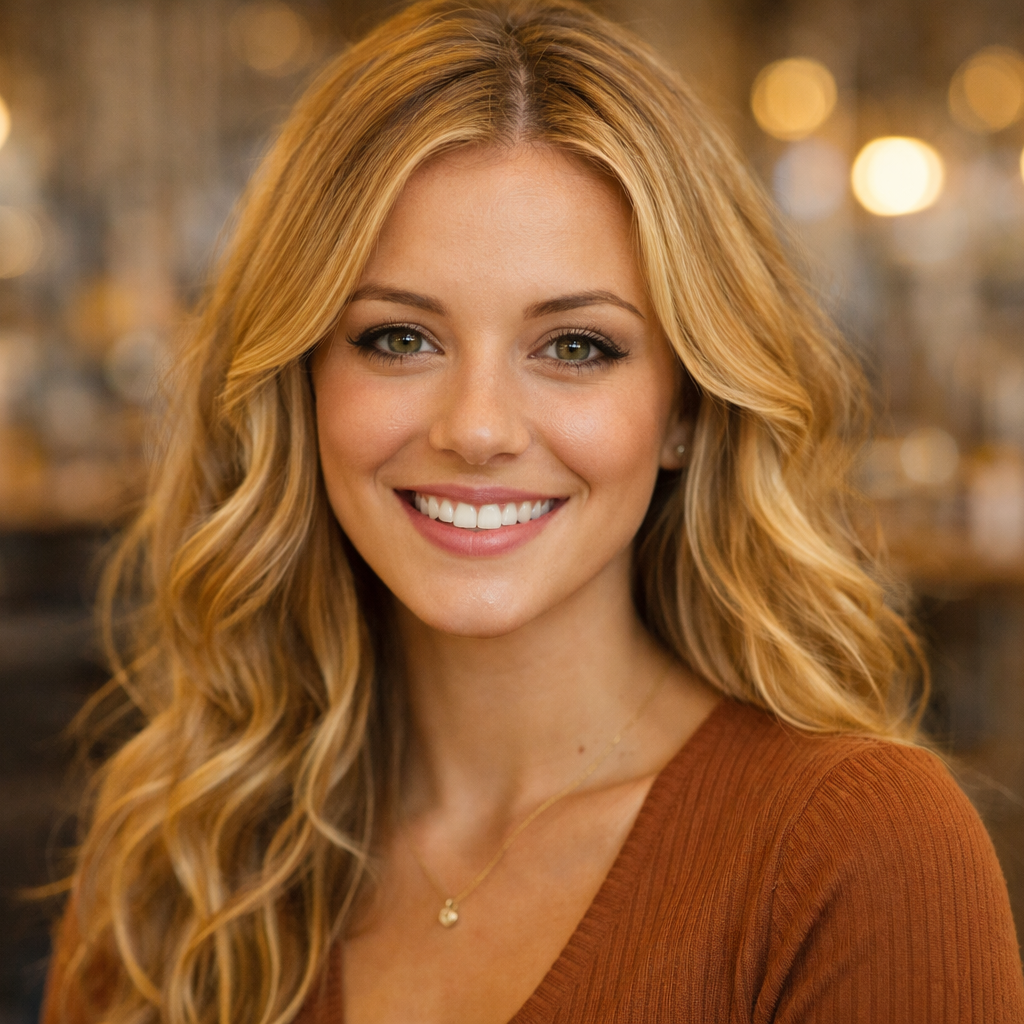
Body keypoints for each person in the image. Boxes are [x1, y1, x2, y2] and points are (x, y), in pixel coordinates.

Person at [42, 1, 1024, 1021]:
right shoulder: (175, 855)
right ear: (302, 383)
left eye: (575, 347)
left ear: (687, 408)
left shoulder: (857, 851)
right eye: (398, 339)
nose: (477, 429)